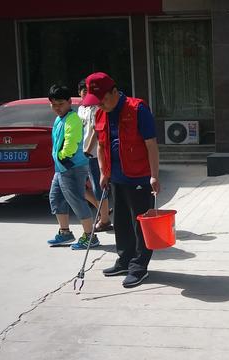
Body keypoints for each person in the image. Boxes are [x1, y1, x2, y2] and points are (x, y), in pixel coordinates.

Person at [82, 72, 160, 288]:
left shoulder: (137, 110)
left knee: (140, 224)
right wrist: (103, 173)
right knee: (122, 222)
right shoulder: (100, 114)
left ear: (115, 92)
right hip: (115, 177)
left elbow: (151, 144)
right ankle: (124, 260)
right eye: (97, 102)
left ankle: (139, 267)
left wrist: (154, 175)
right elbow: (100, 145)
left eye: (103, 100)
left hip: (139, 177)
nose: (101, 105)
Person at [46, 84, 99, 250]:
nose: (57, 108)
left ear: (69, 102)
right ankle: (65, 232)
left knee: (76, 200)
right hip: (61, 168)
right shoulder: (59, 119)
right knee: (56, 198)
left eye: (60, 104)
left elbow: (71, 143)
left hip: (72, 166)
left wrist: (61, 156)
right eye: (53, 104)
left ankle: (90, 237)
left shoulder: (72, 119)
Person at [77, 79, 113, 232]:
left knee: (99, 186)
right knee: (80, 187)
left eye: (88, 91)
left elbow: (95, 131)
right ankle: (102, 211)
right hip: (82, 154)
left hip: (93, 154)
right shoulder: (81, 109)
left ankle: (104, 220)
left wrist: (87, 150)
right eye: (82, 90)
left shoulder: (96, 109)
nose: (85, 93)